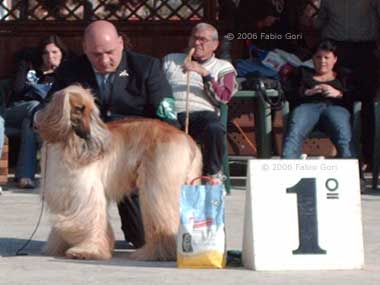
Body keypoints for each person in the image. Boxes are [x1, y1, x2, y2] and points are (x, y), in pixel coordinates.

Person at [42, 20, 177, 249]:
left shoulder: (147, 67)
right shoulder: (70, 70)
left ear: (121, 43)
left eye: (110, 52)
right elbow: (49, 109)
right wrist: (39, 117)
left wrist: (144, 165)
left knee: (143, 238)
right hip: (85, 158)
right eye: (96, 55)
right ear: (84, 48)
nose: (104, 61)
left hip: (132, 157)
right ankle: (82, 238)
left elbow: (167, 120)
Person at [163, 22, 238, 179]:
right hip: (172, 113)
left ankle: (212, 174)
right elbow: (156, 86)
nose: (197, 43)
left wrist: (205, 74)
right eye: (194, 38)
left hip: (203, 115)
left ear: (215, 45)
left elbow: (223, 98)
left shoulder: (223, 67)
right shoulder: (170, 60)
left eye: (203, 39)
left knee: (214, 128)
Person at [313, 0, 380, 169]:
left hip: (366, 49)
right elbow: (317, 23)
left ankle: (369, 156)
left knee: (367, 104)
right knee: (340, 103)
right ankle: (345, 156)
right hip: (337, 50)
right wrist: (313, 9)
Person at [5, 35, 67, 188]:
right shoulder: (29, 67)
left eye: (54, 53)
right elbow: (17, 90)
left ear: (62, 54)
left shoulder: (66, 73)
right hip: (16, 110)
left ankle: (25, 176)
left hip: (37, 119)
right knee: (34, 106)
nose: (50, 57)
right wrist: (30, 72)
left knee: (29, 124)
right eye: (46, 53)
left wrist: (57, 73)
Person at [282, 40, 354, 159]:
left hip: (335, 109)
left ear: (335, 59)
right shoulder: (302, 73)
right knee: (294, 132)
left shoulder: (344, 75)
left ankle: (351, 170)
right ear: (313, 59)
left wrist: (339, 94)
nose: (322, 61)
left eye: (327, 57)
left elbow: (358, 95)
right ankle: (287, 167)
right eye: (318, 57)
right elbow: (287, 92)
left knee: (344, 136)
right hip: (308, 108)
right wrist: (307, 92)